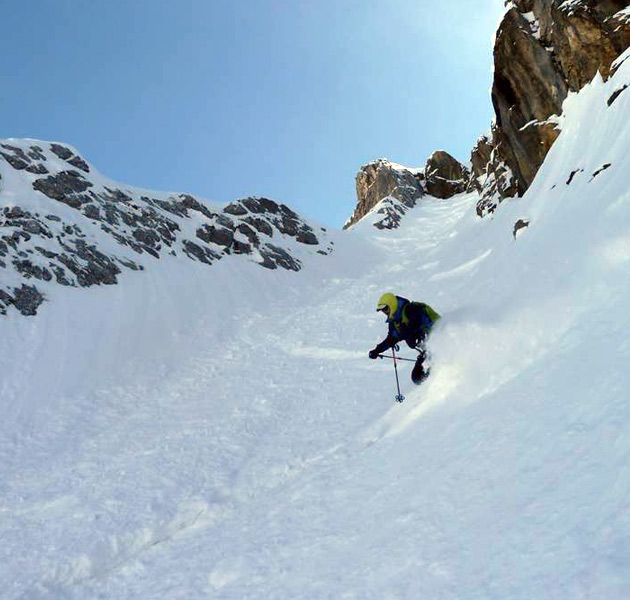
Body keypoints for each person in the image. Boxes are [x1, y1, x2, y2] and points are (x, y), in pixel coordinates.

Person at [369, 292, 440, 384]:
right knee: (417, 377)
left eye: (386, 309)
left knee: (421, 375)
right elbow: (392, 338)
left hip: (437, 342)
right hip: (427, 350)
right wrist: (377, 350)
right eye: (383, 311)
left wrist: (406, 332)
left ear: (392, 304)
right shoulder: (395, 322)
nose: (385, 312)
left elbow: (417, 325)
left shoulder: (411, 309)